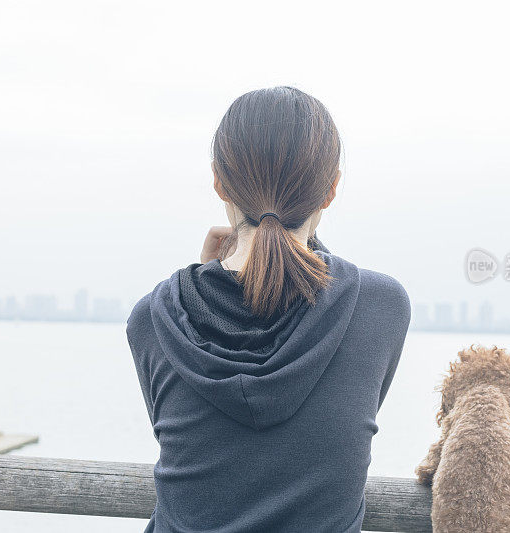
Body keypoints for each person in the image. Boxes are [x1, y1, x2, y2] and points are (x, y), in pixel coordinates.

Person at [126, 86, 411, 532]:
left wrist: (209, 281)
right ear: (332, 188)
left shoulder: (154, 319)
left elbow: (210, 449)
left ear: (219, 181)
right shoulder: (380, 308)